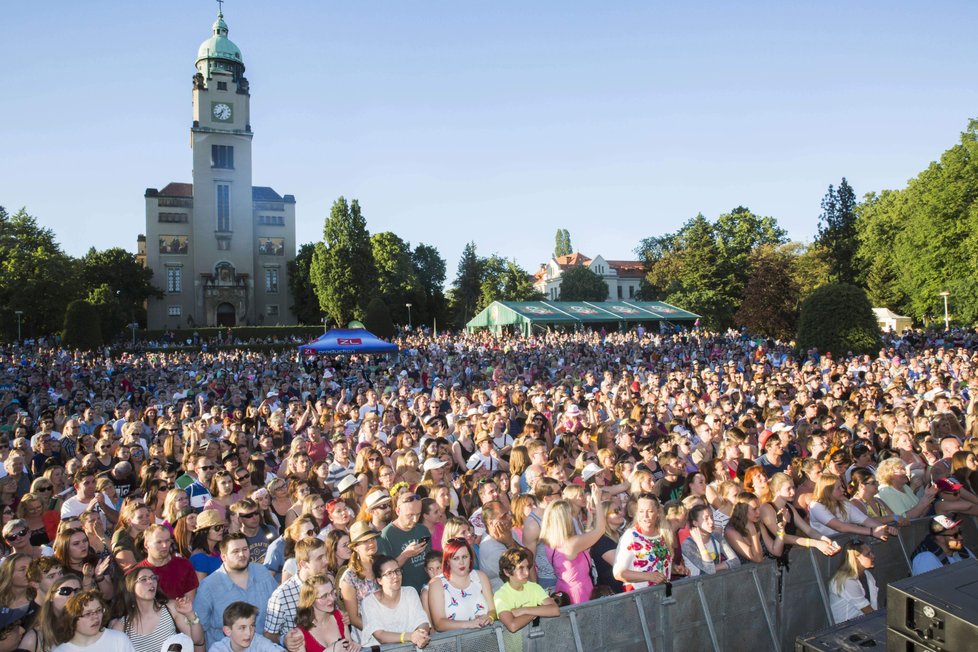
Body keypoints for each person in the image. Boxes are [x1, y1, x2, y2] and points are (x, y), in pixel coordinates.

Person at [109, 566, 205, 652]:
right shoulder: (121, 626)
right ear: (131, 587)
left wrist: (190, 614)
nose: (151, 581)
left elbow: (197, 640)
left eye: (153, 578)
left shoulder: (171, 608)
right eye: (143, 579)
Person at [539, 492, 606, 604]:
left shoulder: (550, 542)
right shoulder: (571, 544)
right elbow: (600, 530)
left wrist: (589, 521)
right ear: (564, 519)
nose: (573, 517)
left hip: (564, 589)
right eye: (570, 514)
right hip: (580, 592)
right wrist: (597, 501)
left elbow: (584, 547)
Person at [358, 555, 431, 648]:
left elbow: (422, 621)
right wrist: (410, 636)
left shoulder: (410, 592)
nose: (395, 576)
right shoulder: (369, 603)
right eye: (389, 573)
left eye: (397, 571)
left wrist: (421, 636)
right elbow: (380, 636)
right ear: (379, 580)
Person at [264, 537, 327, 644]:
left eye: (326, 555)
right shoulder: (281, 596)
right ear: (303, 564)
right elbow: (269, 635)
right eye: (320, 558)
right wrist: (284, 641)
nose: (326, 561)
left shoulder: (327, 581)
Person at [427, 538, 496, 632]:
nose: (461, 562)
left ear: (470, 558)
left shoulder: (481, 576)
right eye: (456, 558)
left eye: (464, 557)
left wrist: (490, 617)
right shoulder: (437, 583)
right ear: (447, 561)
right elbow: (439, 624)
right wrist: (470, 624)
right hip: (455, 643)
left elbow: (493, 610)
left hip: (486, 638)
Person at [807, 473, 897, 540]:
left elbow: (866, 520)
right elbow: (840, 527)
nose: (843, 489)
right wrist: (872, 532)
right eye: (838, 488)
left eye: (842, 486)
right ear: (828, 491)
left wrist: (886, 528)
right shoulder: (816, 506)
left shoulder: (843, 503)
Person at [613, 492, 672, 591]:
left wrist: (674, 568)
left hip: (664, 593)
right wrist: (649, 576)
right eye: (641, 511)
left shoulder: (663, 533)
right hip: (639, 595)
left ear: (657, 513)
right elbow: (619, 573)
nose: (645, 515)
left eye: (650, 511)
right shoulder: (631, 536)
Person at [493, 546, 559, 634]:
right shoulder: (500, 595)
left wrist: (523, 610)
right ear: (507, 572)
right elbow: (512, 626)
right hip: (515, 646)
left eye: (527, 567)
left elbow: (555, 610)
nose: (527, 572)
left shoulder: (534, 587)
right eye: (521, 568)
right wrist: (538, 611)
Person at [378, 492, 429, 595]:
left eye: (418, 514)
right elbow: (386, 573)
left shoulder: (423, 530)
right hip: (404, 595)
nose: (415, 519)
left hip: (426, 590)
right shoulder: (386, 535)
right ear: (398, 511)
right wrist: (405, 555)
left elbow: (430, 560)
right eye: (410, 515)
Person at [294, 574, 361, 652]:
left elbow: (349, 647)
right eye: (324, 596)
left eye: (332, 592)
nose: (332, 599)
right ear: (310, 601)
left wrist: (354, 646)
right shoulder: (298, 635)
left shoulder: (340, 616)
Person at [52, 589, 135, 652]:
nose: (95, 617)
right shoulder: (61, 650)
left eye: (98, 611)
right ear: (72, 618)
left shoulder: (119, 640)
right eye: (88, 614)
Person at [18, 573, 81, 652]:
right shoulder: (33, 639)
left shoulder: (92, 628)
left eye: (78, 591)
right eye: (65, 591)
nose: (73, 596)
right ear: (51, 597)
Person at [134, 524, 198, 600]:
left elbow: (190, 601)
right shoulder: (136, 573)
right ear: (146, 544)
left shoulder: (185, 566)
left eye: (167, 541)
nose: (165, 545)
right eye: (159, 542)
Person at [207, 601, 303, 652]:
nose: (249, 633)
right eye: (242, 628)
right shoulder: (218, 649)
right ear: (228, 631)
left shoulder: (258, 641)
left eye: (252, 626)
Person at [338, 522, 380, 640]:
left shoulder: (383, 565)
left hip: (392, 627)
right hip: (367, 636)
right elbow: (354, 618)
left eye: (372, 539)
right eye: (365, 541)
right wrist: (379, 633)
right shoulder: (350, 577)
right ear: (355, 547)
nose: (371, 543)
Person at [829, 539, 879, 623]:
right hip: (847, 631)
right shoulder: (847, 581)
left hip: (863, 625)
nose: (873, 556)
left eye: (871, 552)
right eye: (868, 554)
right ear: (856, 559)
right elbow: (869, 611)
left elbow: (873, 608)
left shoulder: (867, 574)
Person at [682, 504, 740, 576]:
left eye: (712, 517)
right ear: (695, 523)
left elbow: (736, 561)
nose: (711, 522)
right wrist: (700, 543)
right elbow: (709, 569)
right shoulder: (687, 545)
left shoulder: (716, 536)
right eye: (706, 518)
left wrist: (715, 568)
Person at [911, 515, 975, 575]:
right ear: (939, 538)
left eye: (960, 533)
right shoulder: (925, 559)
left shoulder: (960, 549)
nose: (961, 537)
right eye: (955, 535)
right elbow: (926, 586)